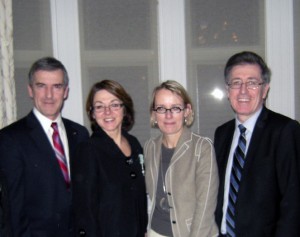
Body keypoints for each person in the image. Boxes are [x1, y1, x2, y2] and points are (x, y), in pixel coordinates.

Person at [0, 57, 89, 237]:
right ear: (30, 90)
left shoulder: (80, 134)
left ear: (65, 92)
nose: (49, 95)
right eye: (41, 86)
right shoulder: (10, 138)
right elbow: (13, 208)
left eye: (56, 86)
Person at [214, 51, 300, 237]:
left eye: (252, 83)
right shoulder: (222, 133)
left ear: (265, 89)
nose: (243, 91)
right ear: (228, 91)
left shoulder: (285, 131)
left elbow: (293, 202)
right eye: (236, 83)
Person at [71, 79, 148, 237]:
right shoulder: (87, 150)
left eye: (114, 104)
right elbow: (84, 212)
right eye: (99, 106)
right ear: (92, 113)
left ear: (124, 109)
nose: (107, 112)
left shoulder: (134, 144)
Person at [144, 80, 219, 237]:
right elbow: (152, 198)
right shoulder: (149, 147)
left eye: (176, 108)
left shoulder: (202, 147)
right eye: (161, 108)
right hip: (156, 232)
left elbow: (205, 207)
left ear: (187, 111)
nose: (168, 115)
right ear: (153, 113)